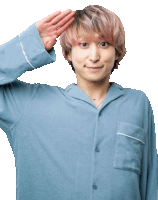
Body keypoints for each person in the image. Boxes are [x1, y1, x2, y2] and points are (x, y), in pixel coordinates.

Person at [0, 5, 157, 200]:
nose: (94, 56)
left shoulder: (138, 103)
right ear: (67, 53)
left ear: (117, 52)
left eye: (104, 44)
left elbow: (151, 182)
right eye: (83, 44)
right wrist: (30, 45)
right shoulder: (27, 105)